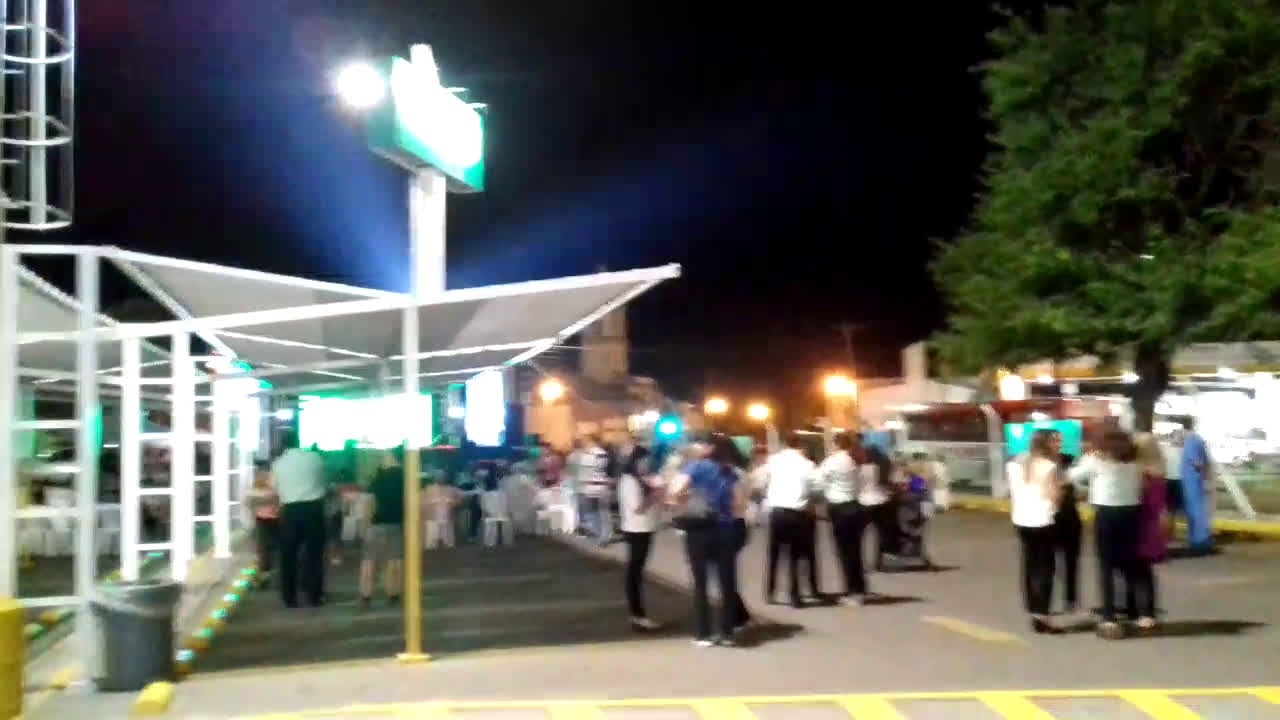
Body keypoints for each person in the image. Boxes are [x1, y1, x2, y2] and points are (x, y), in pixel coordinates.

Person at [668, 436, 748, 647]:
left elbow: (675, 491)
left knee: (700, 583)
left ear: (710, 448)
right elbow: (740, 504)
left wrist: (682, 502)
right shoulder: (728, 471)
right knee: (727, 582)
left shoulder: (696, 466)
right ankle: (727, 633)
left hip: (698, 531)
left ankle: (703, 634)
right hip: (725, 530)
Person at [1069, 429, 1143, 639]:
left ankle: (1109, 615)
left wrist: (1087, 458)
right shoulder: (1135, 466)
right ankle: (1132, 608)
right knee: (1129, 564)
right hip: (1131, 514)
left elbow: (1072, 476)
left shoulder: (1096, 463)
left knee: (1106, 567)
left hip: (1106, 514)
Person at [755, 431, 818, 608]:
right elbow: (817, 488)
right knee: (795, 555)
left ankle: (770, 591)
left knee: (774, 553)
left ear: (785, 444)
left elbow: (760, 481)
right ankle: (794, 595)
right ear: (800, 445)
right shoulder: (808, 464)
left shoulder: (773, 461)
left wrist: (769, 492)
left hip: (777, 511)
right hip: (798, 513)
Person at [1010, 429, 1063, 634]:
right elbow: (1053, 497)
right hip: (1043, 520)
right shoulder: (1049, 466)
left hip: (1021, 520)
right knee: (1045, 569)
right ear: (1046, 444)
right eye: (1056, 441)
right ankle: (1042, 615)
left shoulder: (1015, 465)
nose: (1059, 445)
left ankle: (1033, 609)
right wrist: (1060, 490)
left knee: (1029, 564)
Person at [272, 431, 329, 608]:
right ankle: (314, 596)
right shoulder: (315, 458)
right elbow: (324, 482)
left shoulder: (278, 464)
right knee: (314, 555)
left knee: (288, 556)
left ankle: (289, 597)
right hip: (314, 509)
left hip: (290, 512)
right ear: (299, 442)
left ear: (284, 445)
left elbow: (275, 489)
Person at [816, 432, 867, 605]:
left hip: (839, 509)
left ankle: (852, 592)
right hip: (855, 506)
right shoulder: (856, 459)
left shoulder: (832, 461)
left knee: (844, 552)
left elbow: (818, 482)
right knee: (855, 551)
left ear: (836, 444)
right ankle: (859, 588)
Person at [619, 446, 662, 631]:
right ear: (635, 461)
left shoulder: (640, 478)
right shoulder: (629, 481)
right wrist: (654, 495)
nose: (647, 464)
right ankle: (637, 615)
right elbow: (638, 508)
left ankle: (637, 614)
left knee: (636, 571)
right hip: (637, 530)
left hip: (644, 529)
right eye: (644, 460)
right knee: (634, 572)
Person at [360, 449, 405, 608]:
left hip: (376, 524)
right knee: (394, 562)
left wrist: (365, 525)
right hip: (396, 524)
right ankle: (392, 594)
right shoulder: (405, 476)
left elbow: (369, 502)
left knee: (369, 561)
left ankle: (366, 595)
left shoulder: (378, 477)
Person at [1131, 433, 1167, 630]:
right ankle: (1145, 611)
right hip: (1152, 524)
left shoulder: (1139, 472)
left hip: (1139, 522)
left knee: (1137, 570)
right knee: (1144, 570)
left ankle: (1143, 611)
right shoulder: (1159, 472)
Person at [1051, 431, 1082, 615]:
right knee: (1051, 563)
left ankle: (1070, 600)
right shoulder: (1043, 468)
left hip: (1067, 519)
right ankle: (1055, 601)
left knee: (1069, 563)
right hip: (1054, 519)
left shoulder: (1067, 464)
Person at [1178, 417, 1214, 555]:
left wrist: (1199, 471)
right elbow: (1205, 461)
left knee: (1195, 510)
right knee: (1197, 509)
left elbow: (1196, 462)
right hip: (1195, 480)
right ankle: (1198, 539)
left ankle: (1200, 540)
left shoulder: (1191, 441)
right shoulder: (1198, 439)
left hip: (1191, 481)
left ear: (1183, 428)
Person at [246, 460, 279, 589]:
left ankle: (265, 574)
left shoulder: (270, 485)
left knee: (265, 549)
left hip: (270, 520)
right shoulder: (268, 487)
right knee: (265, 549)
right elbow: (249, 501)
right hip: (265, 520)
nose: (262, 476)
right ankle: (265, 574)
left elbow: (250, 502)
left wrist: (259, 500)